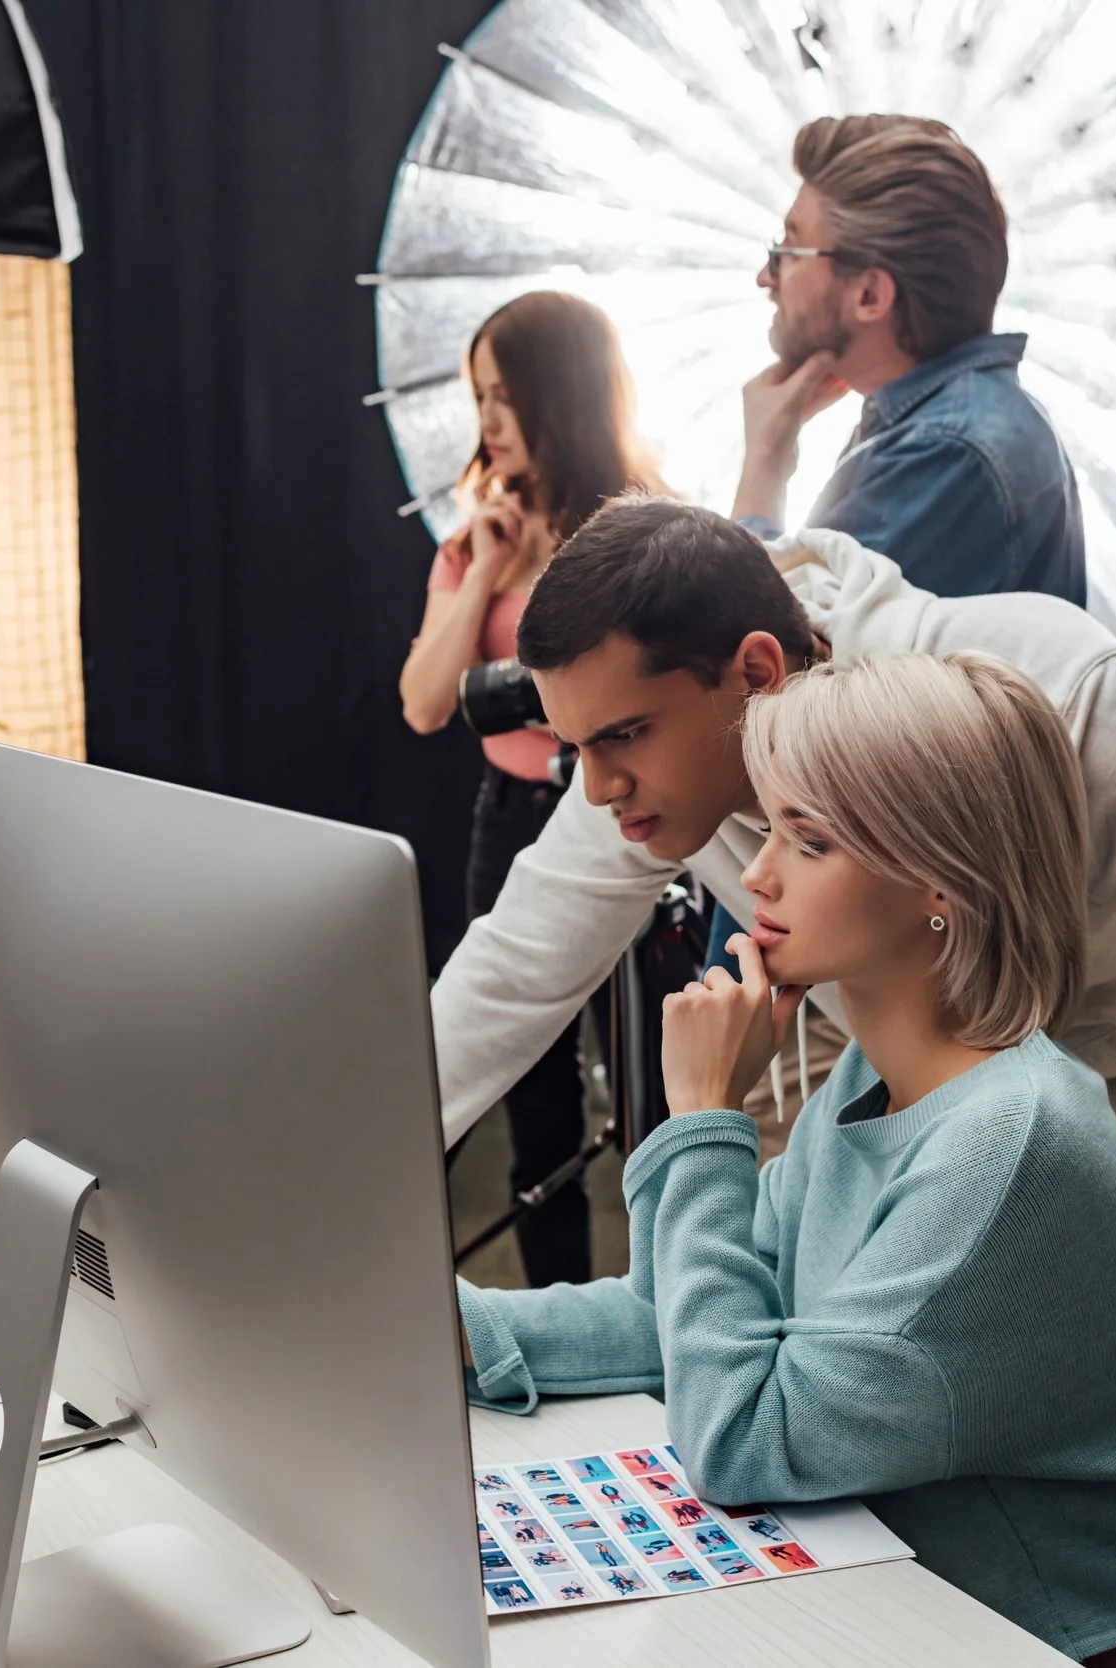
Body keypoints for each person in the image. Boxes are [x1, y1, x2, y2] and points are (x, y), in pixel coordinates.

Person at [431, 495, 1116, 1600]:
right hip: (950, 1117)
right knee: (963, 1535)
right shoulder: (654, 766)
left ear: (758, 674)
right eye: (571, 744)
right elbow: (506, 982)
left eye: (621, 737)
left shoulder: (1065, 701)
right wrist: (338, 1248)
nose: (596, 787)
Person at [461, 650, 1116, 1663]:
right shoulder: (874, 1081)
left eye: (811, 841)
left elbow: (741, 1441)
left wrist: (701, 1120)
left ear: (941, 885)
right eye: (774, 825)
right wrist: (441, 1331)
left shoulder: (1010, 1149)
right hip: (963, 1614)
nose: (756, 874)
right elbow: (692, 1320)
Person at [398, 290, 663, 1287]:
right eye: (479, 397)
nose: (488, 422)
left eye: (505, 395)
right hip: (511, 825)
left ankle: (662, 1312)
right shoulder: (475, 542)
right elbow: (427, 703)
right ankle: (556, 1309)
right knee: (534, 1102)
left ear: (564, 394)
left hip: (632, 822)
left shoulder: (645, 528)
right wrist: (482, 572)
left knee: (655, 1094)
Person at [733, 115, 1083, 605]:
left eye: (787, 249)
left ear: (870, 294)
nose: (764, 278)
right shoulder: (937, 423)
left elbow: (775, 656)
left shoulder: (945, 449)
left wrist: (764, 463)